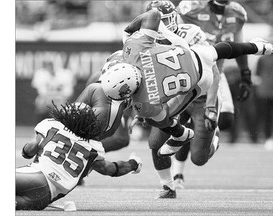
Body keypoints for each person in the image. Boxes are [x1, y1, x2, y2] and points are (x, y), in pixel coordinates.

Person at [99, 8, 273, 196]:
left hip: (199, 88)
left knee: (195, 154)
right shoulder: (136, 45)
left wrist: (210, 107)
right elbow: (151, 17)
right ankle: (258, 47)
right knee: (218, 51)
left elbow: (164, 117)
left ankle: (184, 135)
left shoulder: (143, 102)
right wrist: (130, 29)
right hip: (196, 61)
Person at [170, 0, 253, 188]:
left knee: (226, 119)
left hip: (216, 72)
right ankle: (177, 174)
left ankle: (206, 135)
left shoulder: (237, 13)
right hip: (190, 73)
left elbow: (239, 46)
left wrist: (245, 75)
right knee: (182, 122)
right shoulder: (191, 8)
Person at [143, 0, 221, 196]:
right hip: (174, 99)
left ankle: (214, 139)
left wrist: (211, 107)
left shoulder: (191, 34)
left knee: (199, 158)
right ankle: (168, 187)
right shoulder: (146, 41)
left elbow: (215, 73)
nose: (161, 25)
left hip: (201, 98)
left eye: (164, 20)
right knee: (155, 144)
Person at [16, 101, 142, 210]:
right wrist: (133, 164)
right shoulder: (94, 147)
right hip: (44, 198)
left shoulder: (51, 125)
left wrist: (28, 150)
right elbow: (112, 169)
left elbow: (28, 152)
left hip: (34, 177)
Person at [255, 55, 273, 150]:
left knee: (266, 116)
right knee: (267, 116)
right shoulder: (262, 59)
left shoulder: (262, 58)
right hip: (265, 91)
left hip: (264, 91)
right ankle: (268, 138)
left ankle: (268, 138)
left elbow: (258, 75)